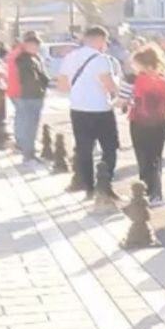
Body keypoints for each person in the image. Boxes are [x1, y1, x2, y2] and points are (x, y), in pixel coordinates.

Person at [56, 26, 122, 200]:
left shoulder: (70, 57)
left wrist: (80, 90)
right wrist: (117, 86)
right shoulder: (102, 59)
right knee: (109, 147)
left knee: (84, 149)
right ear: (100, 40)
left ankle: (88, 188)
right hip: (100, 109)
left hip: (78, 109)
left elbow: (62, 86)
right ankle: (105, 186)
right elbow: (109, 85)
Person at [120, 45, 165, 207]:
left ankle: (146, 192)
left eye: (135, 64)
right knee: (155, 158)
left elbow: (121, 101)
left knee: (143, 158)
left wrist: (109, 103)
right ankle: (157, 194)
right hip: (162, 123)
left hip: (140, 123)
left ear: (145, 65)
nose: (133, 67)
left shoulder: (131, 80)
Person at [13, 32, 50, 164]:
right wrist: (43, 85)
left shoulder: (33, 58)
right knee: (30, 126)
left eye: (37, 45)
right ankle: (28, 154)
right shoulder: (24, 59)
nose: (36, 48)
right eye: (33, 45)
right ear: (27, 45)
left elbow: (41, 76)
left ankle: (28, 151)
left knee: (30, 125)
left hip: (31, 95)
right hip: (29, 96)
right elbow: (31, 79)